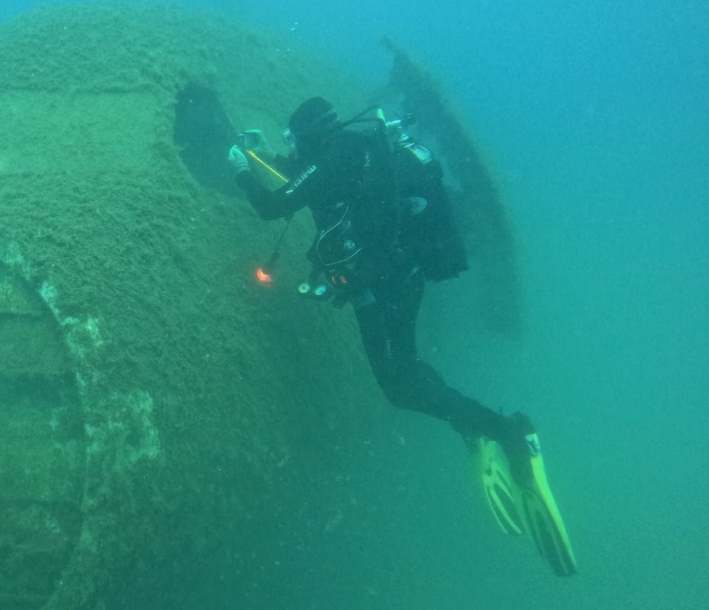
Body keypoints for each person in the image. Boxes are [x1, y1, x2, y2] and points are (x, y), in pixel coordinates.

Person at [226, 96, 576, 576]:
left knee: (398, 384)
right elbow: (314, 179)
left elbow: (274, 206)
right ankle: (469, 423)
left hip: (381, 289)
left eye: (295, 141)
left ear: (308, 137)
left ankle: (510, 433)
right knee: (405, 372)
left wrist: (240, 171)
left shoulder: (329, 163)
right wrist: (264, 154)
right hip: (401, 277)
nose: (296, 150)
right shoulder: (356, 149)